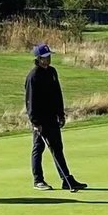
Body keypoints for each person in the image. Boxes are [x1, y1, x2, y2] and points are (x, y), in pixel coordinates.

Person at [25, 43, 85, 192]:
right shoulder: (33, 76)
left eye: (49, 56)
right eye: (45, 57)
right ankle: (38, 180)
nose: (48, 59)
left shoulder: (52, 72)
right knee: (38, 148)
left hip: (52, 118)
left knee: (57, 148)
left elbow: (57, 95)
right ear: (38, 58)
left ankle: (66, 179)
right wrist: (35, 122)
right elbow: (30, 102)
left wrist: (61, 114)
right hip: (40, 120)